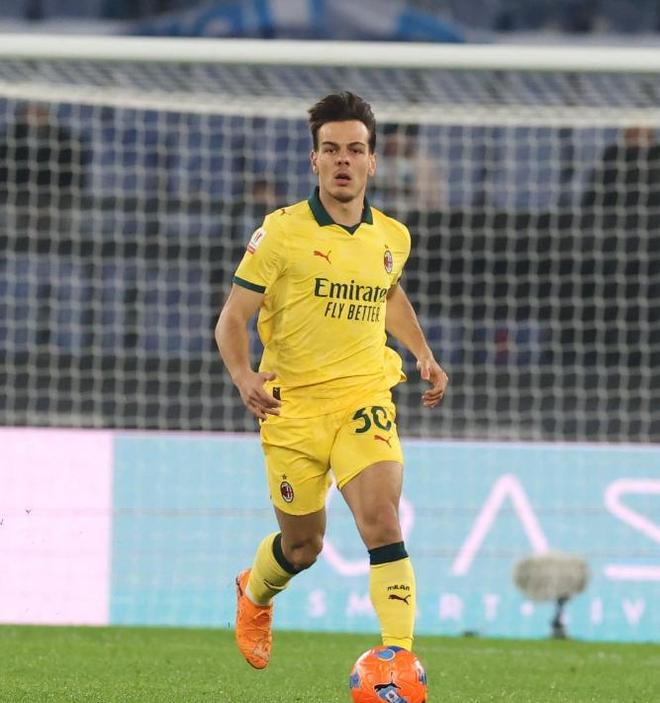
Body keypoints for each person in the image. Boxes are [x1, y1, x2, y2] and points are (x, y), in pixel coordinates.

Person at [214, 91, 448, 670]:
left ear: (373, 161)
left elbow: (386, 292)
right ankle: (254, 593)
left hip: (364, 395)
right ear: (314, 159)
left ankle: (397, 659)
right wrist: (243, 376)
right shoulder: (281, 233)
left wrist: (422, 352)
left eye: (355, 149)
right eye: (332, 149)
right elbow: (232, 318)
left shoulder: (392, 236)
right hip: (292, 409)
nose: (344, 159)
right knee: (303, 546)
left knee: (383, 520)